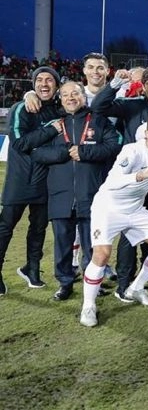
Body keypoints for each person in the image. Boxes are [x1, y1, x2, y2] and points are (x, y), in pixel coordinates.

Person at [79, 114, 148, 327]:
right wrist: (139, 175)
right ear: (147, 134)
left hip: (135, 209)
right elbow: (112, 181)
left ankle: (135, 288)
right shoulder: (133, 151)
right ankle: (88, 306)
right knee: (102, 255)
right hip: (108, 207)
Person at [31, 81, 120, 301]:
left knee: (92, 245)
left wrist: (85, 152)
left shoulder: (99, 121)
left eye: (75, 93)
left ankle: (94, 282)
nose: (71, 98)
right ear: (60, 99)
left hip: (91, 195)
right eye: (65, 95)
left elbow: (114, 145)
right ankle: (65, 283)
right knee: (62, 245)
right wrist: (62, 153)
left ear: (83, 96)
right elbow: (35, 152)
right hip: (60, 196)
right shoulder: (53, 125)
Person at [1, 66, 61, 296]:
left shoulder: (58, 110)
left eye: (49, 80)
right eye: (39, 80)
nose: (44, 84)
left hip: (46, 181)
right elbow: (19, 143)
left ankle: (31, 269)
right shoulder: (21, 108)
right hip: (20, 181)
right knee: (5, 227)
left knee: (38, 228)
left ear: (56, 86)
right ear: (33, 84)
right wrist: (50, 129)